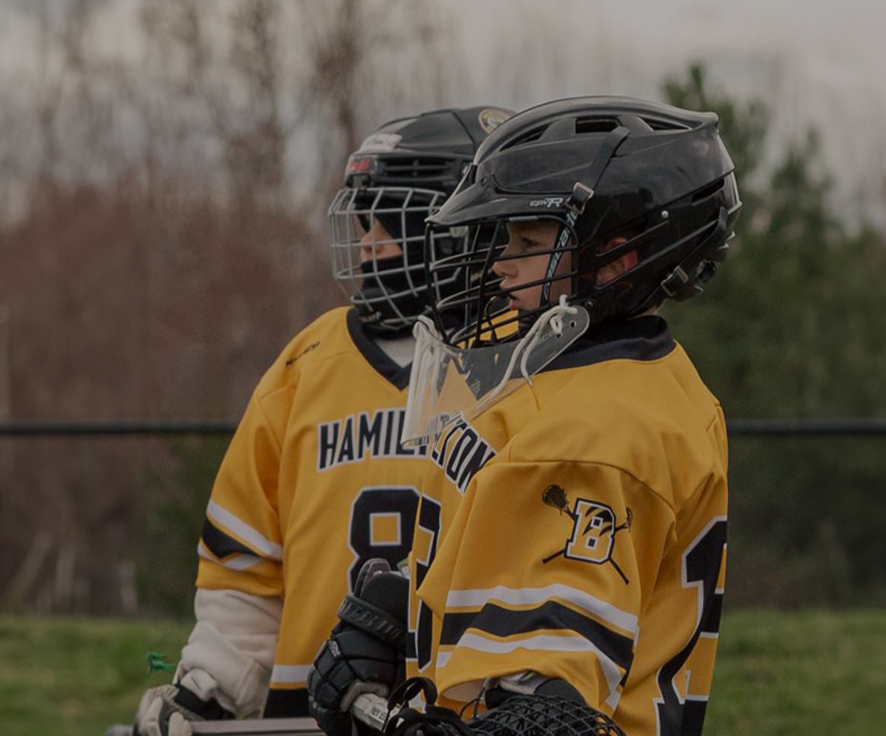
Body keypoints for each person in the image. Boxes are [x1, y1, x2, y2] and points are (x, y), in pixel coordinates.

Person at [308, 96, 741, 736]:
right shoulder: (626, 380)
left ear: (616, 257)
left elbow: (550, 704)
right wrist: (410, 601)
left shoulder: (587, 435)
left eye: (527, 240)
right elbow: (518, 549)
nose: (496, 264)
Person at [123, 105, 514, 736]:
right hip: (310, 719)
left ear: (452, 226)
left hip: (464, 717)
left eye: (384, 222)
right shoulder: (304, 366)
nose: (365, 244)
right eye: (362, 222)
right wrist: (211, 684)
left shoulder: (521, 369)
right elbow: (246, 567)